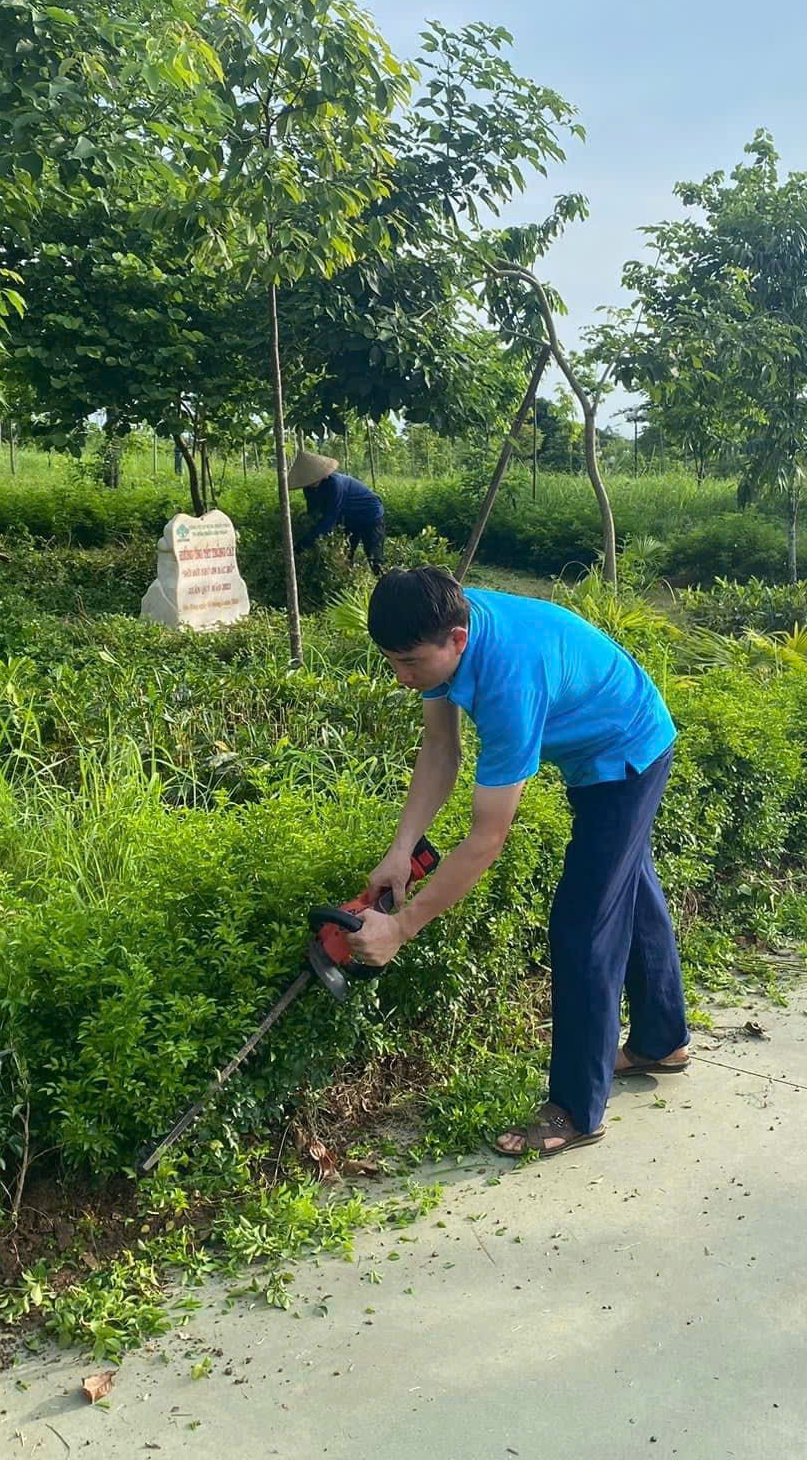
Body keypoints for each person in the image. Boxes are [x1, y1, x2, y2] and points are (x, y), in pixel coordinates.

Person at [347, 567, 686, 1160]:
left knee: (583, 926)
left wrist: (402, 928)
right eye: (391, 662)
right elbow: (440, 748)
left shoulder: (508, 680)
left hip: (627, 750)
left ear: (456, 640)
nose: (402, 678)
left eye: (410, 663)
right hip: (597, 744)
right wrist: (401, 850)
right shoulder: (439, 626)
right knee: (625, 884)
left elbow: (487, 838)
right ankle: (662, 1041)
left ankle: (576, 1109)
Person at [287, 450, 385, 569]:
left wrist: (304, 544)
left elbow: (329, 520)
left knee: (374, 557)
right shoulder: (309, 489)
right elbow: (313, 513)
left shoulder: (334, 484)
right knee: (344, 557)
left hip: (370, 515)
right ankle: (348, 581)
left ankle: (384, 582)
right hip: (348, 518)